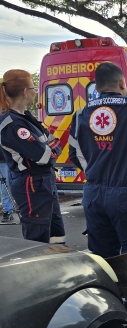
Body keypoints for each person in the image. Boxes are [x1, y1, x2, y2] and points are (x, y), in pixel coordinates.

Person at [69, 62, 127, 258]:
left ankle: (109, 289)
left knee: (103, 259)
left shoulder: (80, 114)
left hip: (92, 194)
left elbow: (73, 153)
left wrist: (92, 173)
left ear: (96, 88)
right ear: (122, 83)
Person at [0, 69, 66, 242]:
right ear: (24, 92)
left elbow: (55, 143)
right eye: (33, 87)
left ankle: (57, 263)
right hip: (32, 185)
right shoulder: (13, 125)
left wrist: (51, 147)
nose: (36, 91)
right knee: (37, 239)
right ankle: (39, 268)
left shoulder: (27, 118)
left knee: (56, 232)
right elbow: (45, 155)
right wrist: (51, 148)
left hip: (44, 180)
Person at [0, 146, 14, 222]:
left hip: (6, 160)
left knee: (6, 187)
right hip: (4, 160)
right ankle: (7, 210)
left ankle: (8, 211)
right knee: (5, 187)